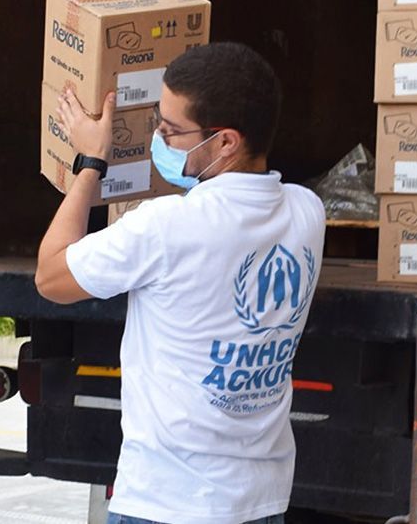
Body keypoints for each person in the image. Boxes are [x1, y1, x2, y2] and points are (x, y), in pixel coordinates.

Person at [35, 43, 326, 524]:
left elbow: (51, 276)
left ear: (226, 142)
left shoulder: (166, 226)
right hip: (260, 503)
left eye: (171, 131)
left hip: (167, 503)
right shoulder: (307, 212)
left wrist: (91, 161)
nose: (159, 138)